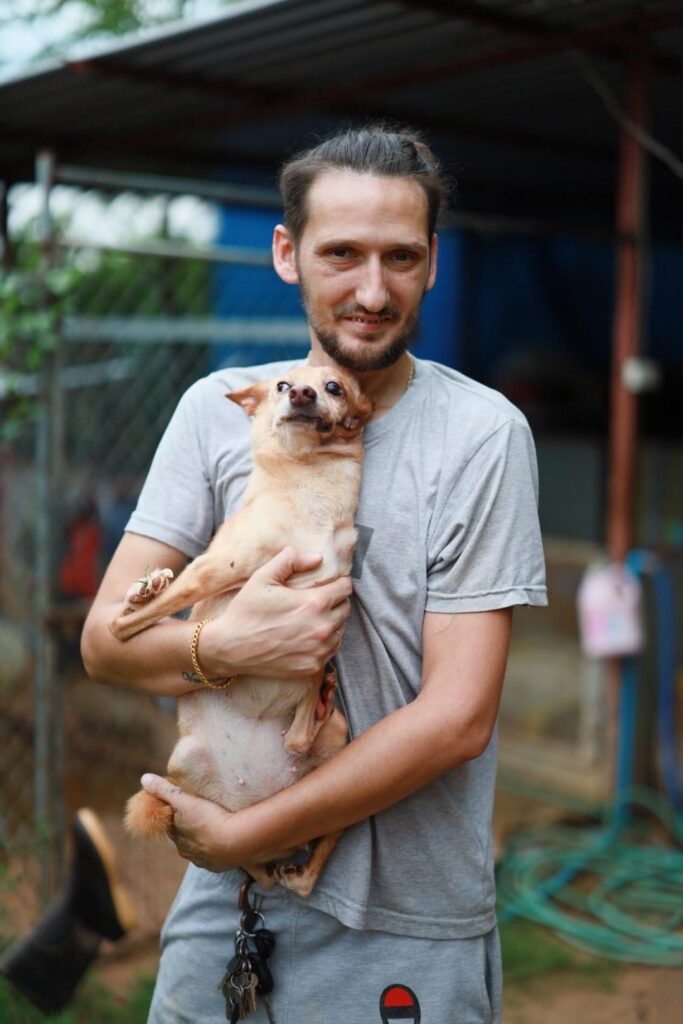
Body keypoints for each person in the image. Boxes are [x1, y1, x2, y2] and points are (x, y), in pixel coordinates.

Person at [81, 125, 547, 1024]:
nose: (372, 291)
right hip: (226, 910)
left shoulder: (482, 435)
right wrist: (227, 646)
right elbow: (104, 643)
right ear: (287, 254)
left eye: (400, 258)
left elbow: (457, 719)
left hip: (401, 918)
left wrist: (240, 837)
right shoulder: (220, 412)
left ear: (434, 264)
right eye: (341, 254)